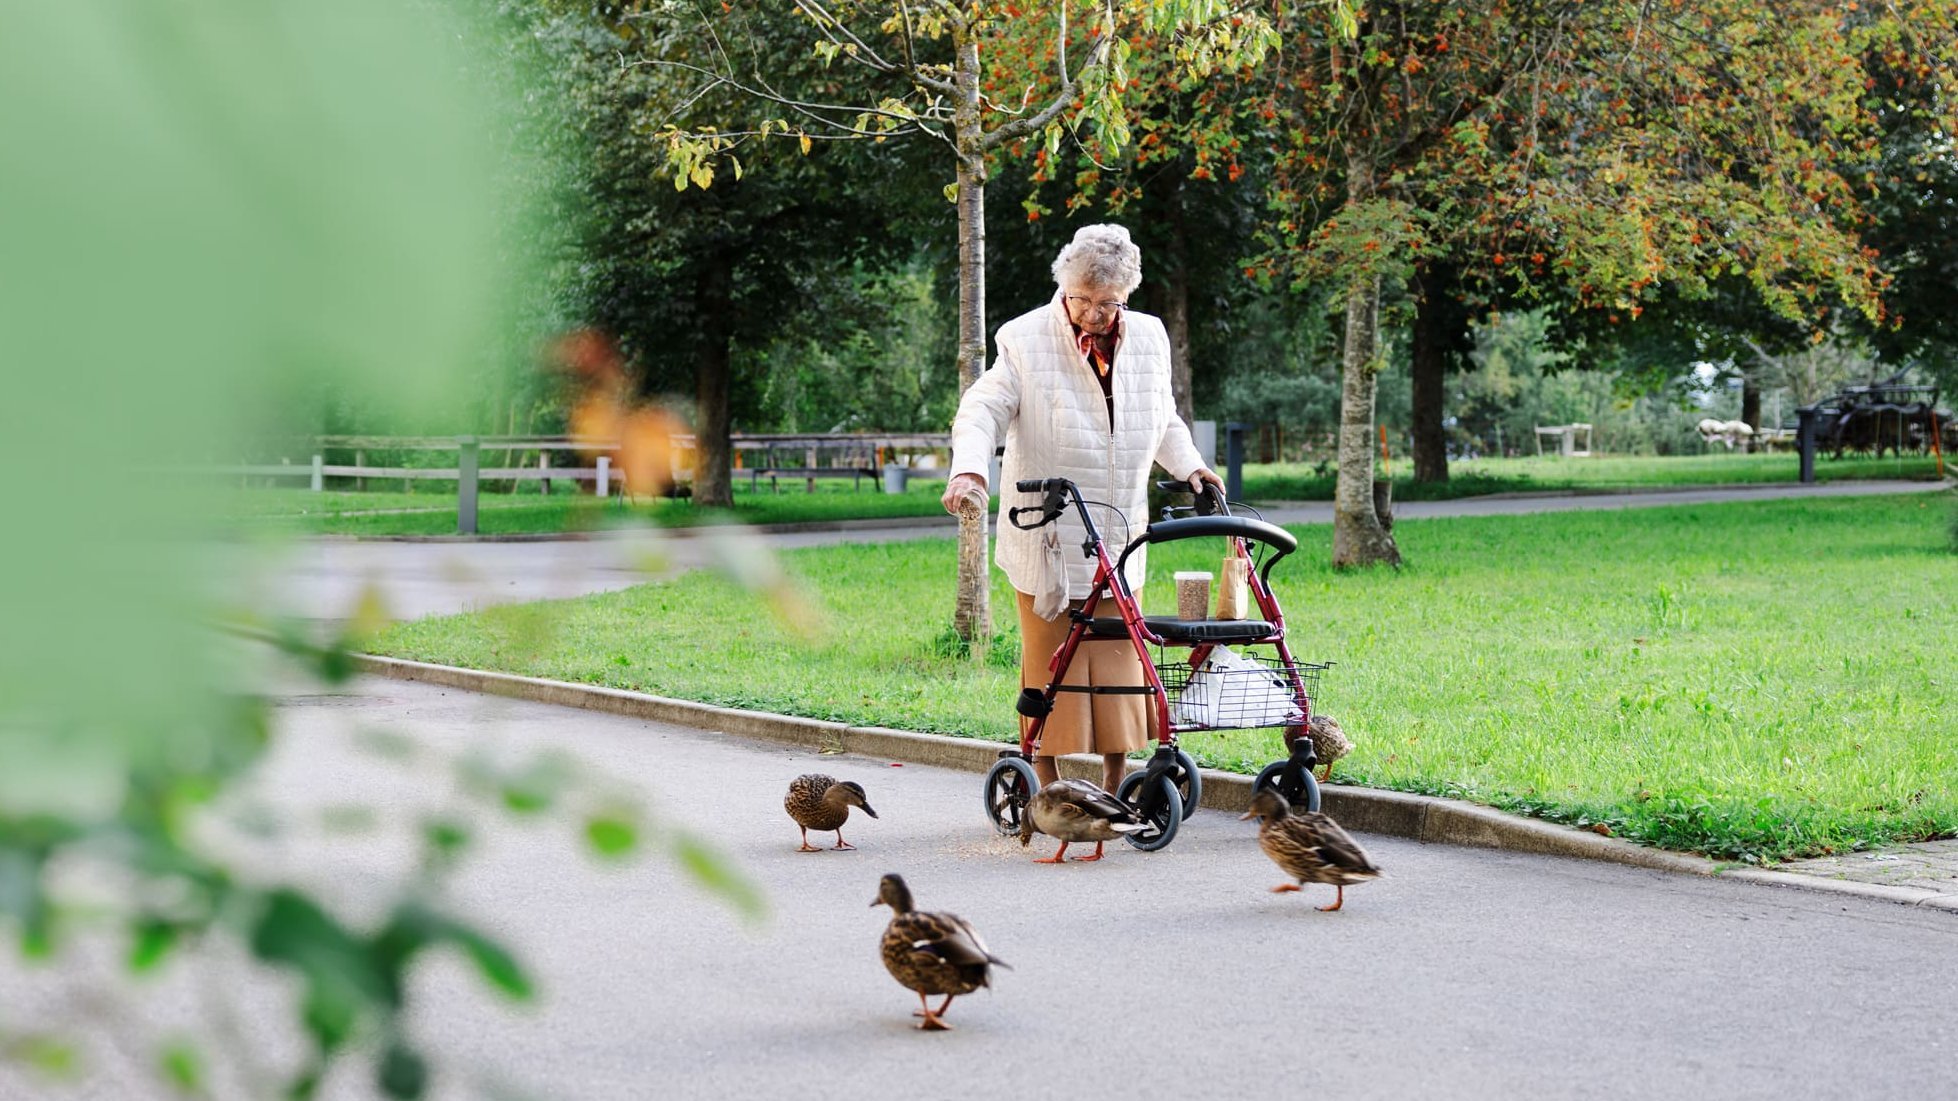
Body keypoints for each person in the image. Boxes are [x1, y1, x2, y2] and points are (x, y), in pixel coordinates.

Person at [941, 224, 1223, 794]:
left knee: (1121, 664)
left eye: (1108, 302)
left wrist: (1192, 467)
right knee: (1052, 667)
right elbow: (982, 410)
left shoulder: (1149, 336)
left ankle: (1120, 784)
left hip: (1119, 532)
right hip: (1047, 528)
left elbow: (1162, 416)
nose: (1094, 313)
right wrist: (970, 468)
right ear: (1064, 289)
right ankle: (1047, 783)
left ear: (1128, 296)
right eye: (1083, 300)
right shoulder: (1024, 338)